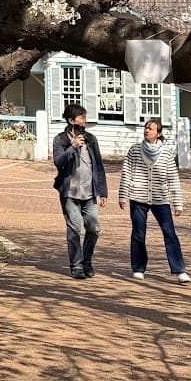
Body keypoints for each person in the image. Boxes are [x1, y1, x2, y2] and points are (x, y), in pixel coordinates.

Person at [119, 118, 189, 282]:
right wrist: (123, 195)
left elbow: (173, 178)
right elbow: (127, 173)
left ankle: (179, 270)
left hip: (161, 199)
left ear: (158, 133)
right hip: (138, 197)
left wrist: (177, 203)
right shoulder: (135, 150)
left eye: (150, 128)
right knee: (138, 233)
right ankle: (138, 268)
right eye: (145, 128)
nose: (146, 130)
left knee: (169, 233)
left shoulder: (166, 153)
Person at [52, 101, 108, 279]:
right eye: (81, 117)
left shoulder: (91, 139)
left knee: (94, 228)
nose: (84, 121)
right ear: (71, 120)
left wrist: (103, 191)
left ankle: (87, 261)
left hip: (90, 193)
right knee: (74, 228)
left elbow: (98, 166)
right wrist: (72, 147)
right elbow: (59, 162)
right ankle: (76, 265)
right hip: (70, 192)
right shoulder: (60, 140)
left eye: (85, 117)